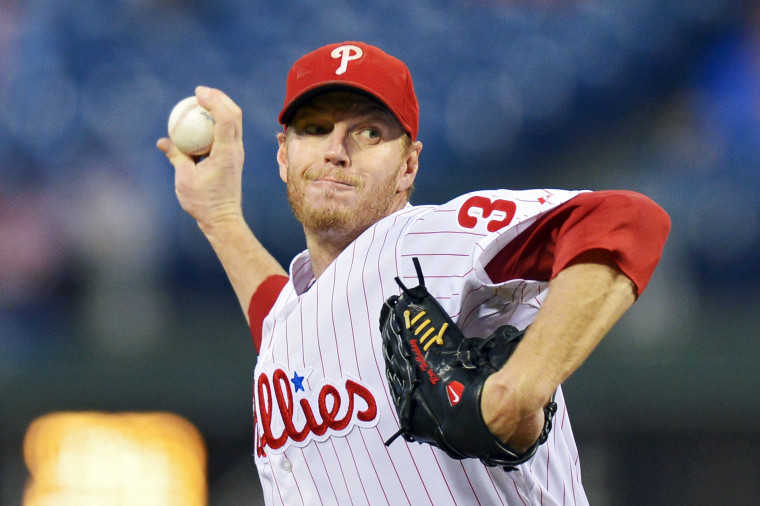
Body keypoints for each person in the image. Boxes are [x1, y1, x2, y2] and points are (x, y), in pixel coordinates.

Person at [158, 41, 670, 505]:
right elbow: (287, 321)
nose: (336, 149)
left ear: (408, 167)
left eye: (368, 132)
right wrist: (220, 218)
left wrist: (516, 391)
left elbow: (625, 220)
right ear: (283, 155)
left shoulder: (425, 241)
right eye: (315, 129)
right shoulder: (296, 310)